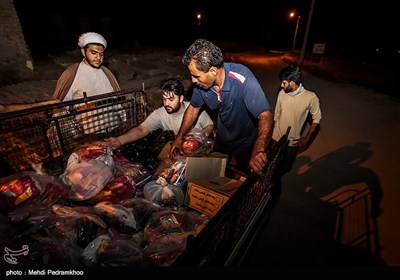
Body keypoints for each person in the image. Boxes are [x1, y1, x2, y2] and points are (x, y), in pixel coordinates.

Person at [169, 38, 273, 175]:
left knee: (244, 174)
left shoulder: (242, 79)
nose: (193, 80)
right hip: (223, 138)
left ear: (213, 71)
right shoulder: (201, 87)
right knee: (218, 171)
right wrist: (180, 137)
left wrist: (258, 149)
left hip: (247, 141)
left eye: (196, 76)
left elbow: (265, 115)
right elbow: (193, 109)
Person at [0, 32, 120, 113]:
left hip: (113, 128)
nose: (98, 58)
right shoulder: (72, 73)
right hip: (87, 133)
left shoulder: (107, 73)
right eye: (93, 53)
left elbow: (118, 101)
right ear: (83, 52)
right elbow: (60, 107)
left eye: (101, 54)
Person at [103, 77, 214, 149]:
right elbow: (141, 129)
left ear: (181, 98)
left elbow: (209, 125)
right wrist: (119, 140)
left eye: (171, 99)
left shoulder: (193, 108)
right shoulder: (160, 114)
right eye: (164, 99)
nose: (166, 103)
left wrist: (199, 139)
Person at [271, 64, 322, 194]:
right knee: (273, 165)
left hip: (293, 141)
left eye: (284, 83)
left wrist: (307, 137)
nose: (281, 86)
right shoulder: (282, 93)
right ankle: (272, 183)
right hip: (276, 138)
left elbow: (317, 118)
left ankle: (274, 179)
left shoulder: (310, 97)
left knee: (287, 166)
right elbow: (277, 114)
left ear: (292, 83)